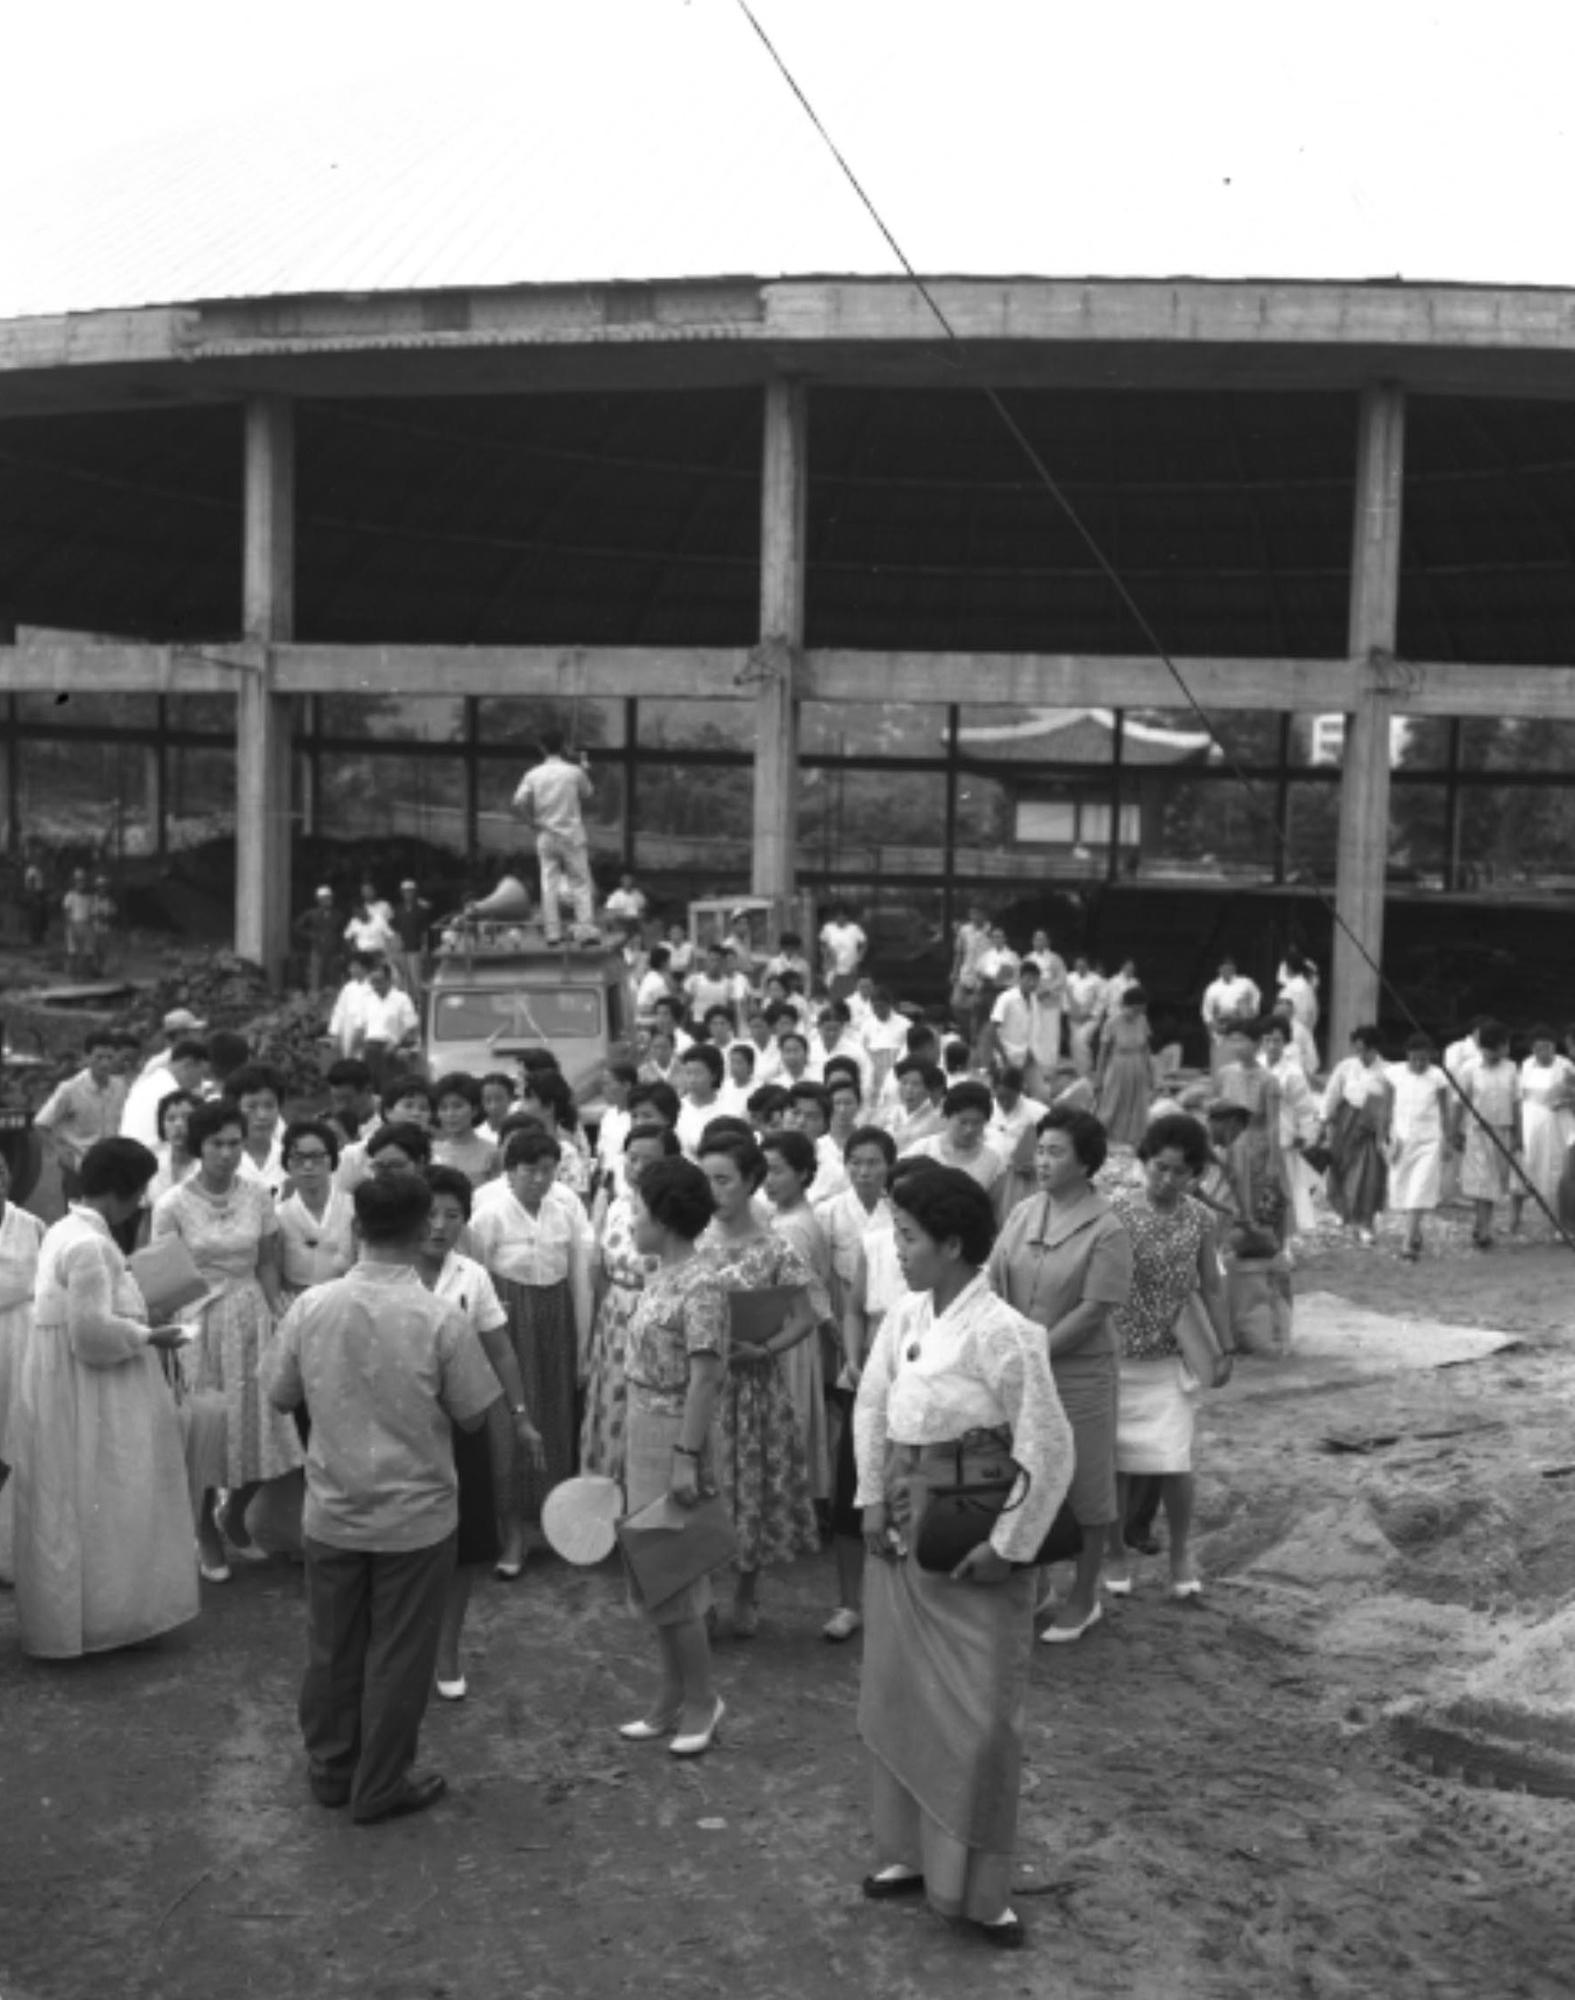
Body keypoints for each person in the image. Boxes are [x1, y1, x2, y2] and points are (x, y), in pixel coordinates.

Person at [854, 1165, 1072, 1950]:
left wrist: (1006, 1545)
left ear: (952, 1244)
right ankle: (906, 1856)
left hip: (971, 1532)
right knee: (898, 1696)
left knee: (980, 1720)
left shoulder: (1006, 1332)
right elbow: (873, 1401)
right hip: (902, 1531)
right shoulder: (907, 1313)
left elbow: (1047, 1448)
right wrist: (870, 1496)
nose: (897, 1250)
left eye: (908, 1237)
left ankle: (978, 1891)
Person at [263, 1171, 500, 1824]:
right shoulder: (438, 1318)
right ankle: (381, 1782)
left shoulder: (311, 1308)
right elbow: (476, 1413)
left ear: (355, 1228)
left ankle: (333, 1770)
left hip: (334, 1507)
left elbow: (279, 1394)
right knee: (399, 1652)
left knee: (332, 1645)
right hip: (415, 1517)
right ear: (425, 1226)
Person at [9, 1138, 198, 1658]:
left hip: (63, 1383)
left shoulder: (64, 1230)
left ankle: (85, 1615)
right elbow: (90, 1335)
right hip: (95, 1388)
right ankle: (111, 1616)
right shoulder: (91, 1246)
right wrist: (150, 1337)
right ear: (122, 1192)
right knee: (113, 1491)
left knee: (76, 1497)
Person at [988, 1106, 1133, 1641]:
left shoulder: (1108, 1227)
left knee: (1086, 1486)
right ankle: (1039, 1583)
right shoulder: (1026, 1211)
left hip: (1080, 1374)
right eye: (1041, 1150)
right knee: (1028, 1473)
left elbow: (1095, 1309)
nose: (1043, 1161)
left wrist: (1034, 1351)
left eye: (1056, 1152)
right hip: (1023, 1369)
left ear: (1086, 1163)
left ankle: (1085, 1594)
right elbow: (997, 1276)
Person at [151, 1098, 302, 1580]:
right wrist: (171, 1337)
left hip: (251, 1315)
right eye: (217, 1143)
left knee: (263, 1426)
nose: (228, 1152)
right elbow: (163, 1277)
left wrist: (274, 1314)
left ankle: (233, 1512)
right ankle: (205, 1533)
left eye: (235, 1143)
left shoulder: (258, 1195)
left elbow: (267, 1261)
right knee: (204, 1429)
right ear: (200, 1145)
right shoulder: (171, 1203)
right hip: (196, 1322)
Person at [616, 1155, 730, 1758]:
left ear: (663, 1217)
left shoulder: (703, 1281)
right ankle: (669, 1695)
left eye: (637, 1208)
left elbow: (706, 1377)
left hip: (675, 1433)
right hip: (643, 1429)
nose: (630, 1220)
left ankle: (702, 1698)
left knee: (676, 1574)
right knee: (650, 1574)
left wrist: (686, 1455)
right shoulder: (659, 1275)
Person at [418, 1166, 544, 1700]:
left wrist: (520, 1416)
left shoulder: (471, 1275)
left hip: (464, 1424)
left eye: (452, 1215)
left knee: (465, 1545)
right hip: (400, 1430)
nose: (440, 1225)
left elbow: (500, 1349)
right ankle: (402, 1649)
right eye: (430, 1213)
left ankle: (446, 1654)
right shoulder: (382, 1272)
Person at [697, 1128, 823, 1637]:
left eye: (723, 1180)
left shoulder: (775, 1247)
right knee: (700, 1490)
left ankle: (747, 1592)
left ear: (750, 1180)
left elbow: (805, 1315)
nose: (713, 1190)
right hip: (700, 1384)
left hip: (752, 1386)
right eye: (706, 1179)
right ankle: (701, 1593)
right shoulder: (694, 1242)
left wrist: (765, 1349)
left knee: (749, 1489)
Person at [1104, 1115, 1232, 1599]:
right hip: (1118, 1357)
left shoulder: (1202, 1218)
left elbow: (1212, 1284)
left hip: (1172, 1360)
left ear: (1195, 1173)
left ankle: (1181, 1552)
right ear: (1144, 1163)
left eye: (1180, 1172)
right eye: (1160, 1168)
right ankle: (1115, 1552)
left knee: (1174, 1462)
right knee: (1117, 1464)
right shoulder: (1116, 1212)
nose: (1167, 1180)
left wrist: (1223, 1347)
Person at [469, 1128, 594, 1573]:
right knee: (510, 1423)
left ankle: (554, 1523)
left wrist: (582, 1340)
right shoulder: (489, 1216)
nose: (540, 1179)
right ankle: (512, 1536)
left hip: (554, 1322)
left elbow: (579, 1276)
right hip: (508, 1323)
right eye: (530, 1170)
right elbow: (476, 1277)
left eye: (548, 1170)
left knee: (555, 1418)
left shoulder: (565, 1212)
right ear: (510, 1172)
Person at [581, 1124, 676, 1480]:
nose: (637, 1166)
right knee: (608, 1404)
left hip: (654, 1322)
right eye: (631, 1157)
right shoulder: (616, 1204)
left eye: (648, 1160)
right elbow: (598, 1265)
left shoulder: (673, 1212)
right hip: (613, 1318)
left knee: (639, 1410)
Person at [759, 1127, 837, 1499]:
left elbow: (812, 1295)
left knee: (784, 1421)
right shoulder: (789, 1219)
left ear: (803, 1173)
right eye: (764, 1170)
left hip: (788, 1335)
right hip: (789, 1334)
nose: (768, 1180)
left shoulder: (793, 1229)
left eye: (777, 1170)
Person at [512, 727, 598, 944]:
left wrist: (531, 822)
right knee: (580, 883)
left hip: (545, 834)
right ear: (564, 746)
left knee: (548, 885)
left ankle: (553, 934)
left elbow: (518, 802)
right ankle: (585, 931)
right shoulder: (574, 772)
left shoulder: (533, 774)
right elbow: (588, 794)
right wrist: (585, 769)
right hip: (571, 835)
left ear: (541, 748)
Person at [0, 1150, 48, 1495]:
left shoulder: (31, 1225)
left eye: (1, 1171)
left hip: (22, 1341)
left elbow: (48, 1287)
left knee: (20, 1434)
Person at [1318, 1026, 1394, 1245]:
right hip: (1345, 1122)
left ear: (1374, 1048)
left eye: (1364, 1050)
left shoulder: (1387, 1070)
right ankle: (1346, 1212)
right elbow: (1332, 1093)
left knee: (1368, 1174)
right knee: (1341, 1169)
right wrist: (1324, 1120)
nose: (1360, 1054)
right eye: (1357, 1049)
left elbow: (1390, 1104)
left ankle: (1366, 1222)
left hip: (1371, 1127)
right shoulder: (1346, 1067)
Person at [32, 1032, 128, 1197]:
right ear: (87, 1057)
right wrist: (60, 1152)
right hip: (80, 1165)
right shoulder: (70, 1089)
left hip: (112, 1165)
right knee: (79, 1216)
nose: (105, 1064)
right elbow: (41, 1123)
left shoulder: (121, 1087)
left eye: (109, 1058)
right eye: (99, 1057)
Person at [1454, 1021, 1522, 1251]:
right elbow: (1458, 1102)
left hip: (1502, 1131)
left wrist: (1518, 1135)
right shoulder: (1469, 1069)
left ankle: (1482, 1224)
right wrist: (1454, 1130)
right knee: (1481, 1181)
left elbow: (1516, 1103)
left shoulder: (1511, 1069)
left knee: (1494, 1183)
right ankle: (1484, 1230)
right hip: (1477, 1132)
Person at [275, 1120, 357, 1299]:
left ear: (332, 1159)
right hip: (295, 1303)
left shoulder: (354, 1209)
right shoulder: (278, 1215)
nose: (308, 1166)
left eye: (317, 1157)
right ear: (287, 1162)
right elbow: (274, 1271)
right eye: (299, 1158)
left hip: (346, 1302)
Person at [1386, 1035, 1451, 1260]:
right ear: (1407, 1057)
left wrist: (1447, 1141)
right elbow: (1386, 1105)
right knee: (1402, 1188)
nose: (1419, 1064)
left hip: (1429, 1141)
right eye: (1415, 1059)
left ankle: (1407, 1245)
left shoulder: (1438, 1077)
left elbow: (1445, 1111)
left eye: (1424, 1059)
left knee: (1420, 1188)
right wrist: (1383, 1134)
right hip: (1402, 1140)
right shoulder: (1394, 1073)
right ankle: (1415, 1230)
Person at [1514, 1025, 1575, 1234]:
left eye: (1547, 1047)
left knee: (1559, 1171)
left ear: (1554, 1047)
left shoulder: (1565, 1066)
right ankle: (1537, 1219)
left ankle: (1563, 1222)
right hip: (1533, 1123)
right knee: (1532, 1169)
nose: (1543, 1052)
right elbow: (1522, 1097)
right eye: (1538, 1048)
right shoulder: (1527, 1065)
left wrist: (1564, 1099)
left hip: (1559, 1125)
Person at [906, 1080, 1006, 1201]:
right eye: (963, 1122)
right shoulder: (923, 1150)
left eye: (977, 1123)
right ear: (947, 1116)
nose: (969, 1129)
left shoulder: (994, 1162)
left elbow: (996, 1208)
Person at [1096, 984, 1154, 1147]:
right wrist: (1098, 1077)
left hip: (1137, 1064)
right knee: (1113, 1100)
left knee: (1136, 1102)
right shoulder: (1112, 1022)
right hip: (1118, 1065)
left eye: (1140, 1010)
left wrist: (1152, 1073)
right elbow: (1102, 1053)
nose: (1137, 1013)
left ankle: (1132, 1139)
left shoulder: (1142, 1020)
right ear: (1126, 1006)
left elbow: (1146, 1049)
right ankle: (1106, 1136)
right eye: (1134, 1009)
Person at [358, 961, 421, 1090]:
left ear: (388, 980)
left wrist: (396, 1043)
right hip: (370, 1049)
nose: (376, 986)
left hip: (391, 1049)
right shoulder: (367, 999)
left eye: (379, 981)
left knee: (391, 1089)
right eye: (372, 982)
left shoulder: (401, 998)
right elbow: (361, 1027)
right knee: (370, 1088)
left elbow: (412, 1027)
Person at [431, 1073, 501, 1187]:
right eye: (443, 1108)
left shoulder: (492, 1153)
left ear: (474, 1110)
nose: (450, 1114)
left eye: (457, 1106)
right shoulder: (432, 1152)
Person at [1201, 956, 1262, 1075]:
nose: (1227, 971)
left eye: (1230, 968)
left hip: (1242, 1028)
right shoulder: (1212, 988)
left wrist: (1252, 1011)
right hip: (1223, 1029)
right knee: (1221, 1067)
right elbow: (1207, 1014)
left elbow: (1257, 995)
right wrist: (1213, 1034)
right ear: (1219, 970)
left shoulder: (1245, 983)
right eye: (1224, 968)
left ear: (1234, 969)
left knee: (1242, 1066)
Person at [389, 880, 432, 1003]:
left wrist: (424, 946)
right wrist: (396, 945)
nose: (408, 894)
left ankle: (419, 1005)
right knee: (405, 980)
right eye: (405, 891)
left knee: (416, 979)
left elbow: (424, 930)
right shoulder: (398, 909)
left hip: (416, 948)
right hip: (402, 949)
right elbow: (394, 929)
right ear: (402, 893)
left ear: (414, 892)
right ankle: (409, 1003)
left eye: (410, 891)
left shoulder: (421, 909)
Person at [294, 886, 342, 993]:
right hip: (317, 950)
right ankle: (314, 1003)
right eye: (325, 898)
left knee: (333, 979)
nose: (329, 900)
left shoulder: (338, 914)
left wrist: (340, 951)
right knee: (315, 979)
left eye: (330, 897)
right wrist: (311, 935)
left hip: (333, 952)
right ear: (319, 900)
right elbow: (297, 927)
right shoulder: (311, 913)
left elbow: (342, 934)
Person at [819, 902, 868, 1004]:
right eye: (838, 915)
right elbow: (822, 944)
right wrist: (826, 957)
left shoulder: (854, 928)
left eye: (843, 915)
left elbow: (864, 944)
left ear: (847, 916)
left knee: (851, 997)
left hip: (850, 968)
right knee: (832, 995)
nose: (841, 917)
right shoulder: (828, 928)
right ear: (834, 916)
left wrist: (858, 960)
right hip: (832, 968)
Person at [61, 867, 95, 976]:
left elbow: (91, 914)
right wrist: (71, 927)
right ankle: (73, 975)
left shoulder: (89, 898)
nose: (81, 883)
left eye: (83, 880)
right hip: (74, 925)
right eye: (79, 880)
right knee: (73, 952)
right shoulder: (69, 896)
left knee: (88, 952)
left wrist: (90, 928)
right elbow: (67, 913)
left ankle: (85, 973)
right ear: (75, 881)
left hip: (86, 925)